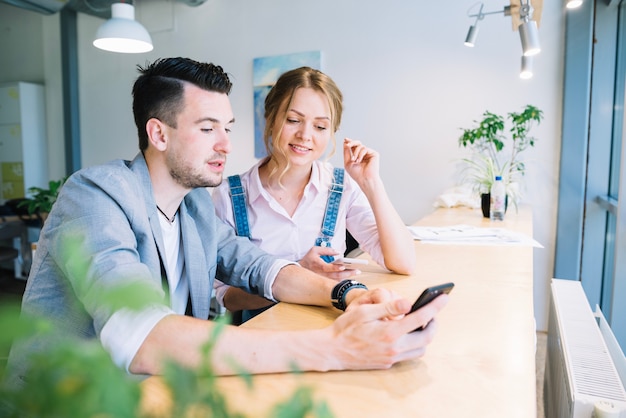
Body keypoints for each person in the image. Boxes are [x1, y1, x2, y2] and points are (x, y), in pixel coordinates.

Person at [4, 57, 447, 387]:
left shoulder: (194, 207)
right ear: (159, 133)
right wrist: (334, 348)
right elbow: (138, 333)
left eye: (228, 128)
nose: (224, 144)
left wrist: (350, 294)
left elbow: (263, 268)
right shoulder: (95, 195)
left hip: (162, 390)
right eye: (207, 128)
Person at [211, 66, 416, 320]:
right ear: (271, 118)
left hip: (330, 325)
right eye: (293, 120)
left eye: (320, 126)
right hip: (263, 336)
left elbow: (403, 262)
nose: (305, 135)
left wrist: (371, 183)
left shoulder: (341, 187)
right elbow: (229, 298)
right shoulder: (228, 197)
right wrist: (299, 272)